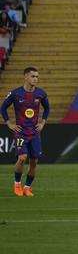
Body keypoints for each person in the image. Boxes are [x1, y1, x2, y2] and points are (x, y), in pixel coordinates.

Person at [1, 67, 49, 197]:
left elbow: (47, 109)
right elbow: (3, 108)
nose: (35, 79)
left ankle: (27, 188)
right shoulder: (16, 93)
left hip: (35, 133)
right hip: (21, 132)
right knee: (22, 158)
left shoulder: (41, 94)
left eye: (37, 77)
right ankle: (17, 184)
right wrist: (9, 124)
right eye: (33, 76)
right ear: (26, 77)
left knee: (34, 162)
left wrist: (42, 123)